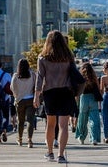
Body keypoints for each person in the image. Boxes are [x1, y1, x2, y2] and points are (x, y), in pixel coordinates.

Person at [33, 30, 75, 164]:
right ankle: (61, 155)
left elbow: (40, 78)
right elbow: (73, 75)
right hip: (65, 92)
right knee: (63, 125)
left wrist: (36, 96)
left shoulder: (43, 58)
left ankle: (50, 152)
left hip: (50, 93)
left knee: (50, 125)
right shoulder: (69, 57)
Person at [10, 58, 36, 148]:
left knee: (20, 121)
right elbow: (36, 86)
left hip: (20, 100)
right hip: (30, 99)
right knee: (30, 120)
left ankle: (20, 139)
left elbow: (12, 88)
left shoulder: (15, 76)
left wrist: (17, 96)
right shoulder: (32, 75)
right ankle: (29, 140)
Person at [75, 62, 101, 145]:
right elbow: (98, 89)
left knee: (82, 119)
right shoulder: (94, 78)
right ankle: (94, 138)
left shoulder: (80, 78)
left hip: (84, 98)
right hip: (93, 99)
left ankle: (81, 137)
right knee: (94, 119)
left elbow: (78, 91)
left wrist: (76, 101)